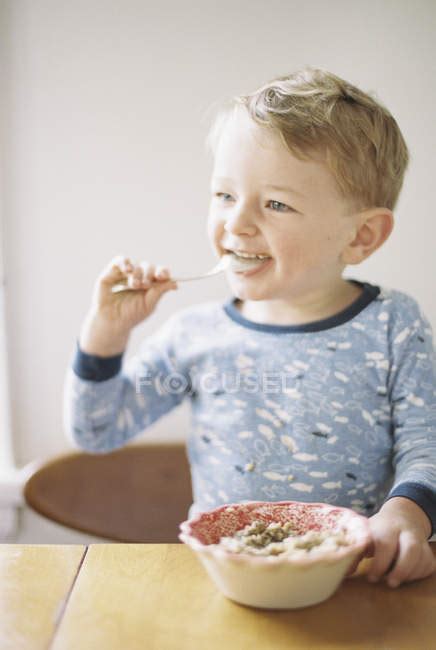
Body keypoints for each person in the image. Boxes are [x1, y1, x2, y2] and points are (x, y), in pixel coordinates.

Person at [64, 66, 436, 588]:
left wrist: (406, 517)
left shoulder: (393, 326)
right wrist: (105, 335)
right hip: (228, 582)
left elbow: (429, 445)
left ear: (361, 236)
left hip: (359, 582)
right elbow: (96, 429)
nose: (236, 223)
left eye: (276, 203)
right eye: (224, 195)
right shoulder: (195, 336)